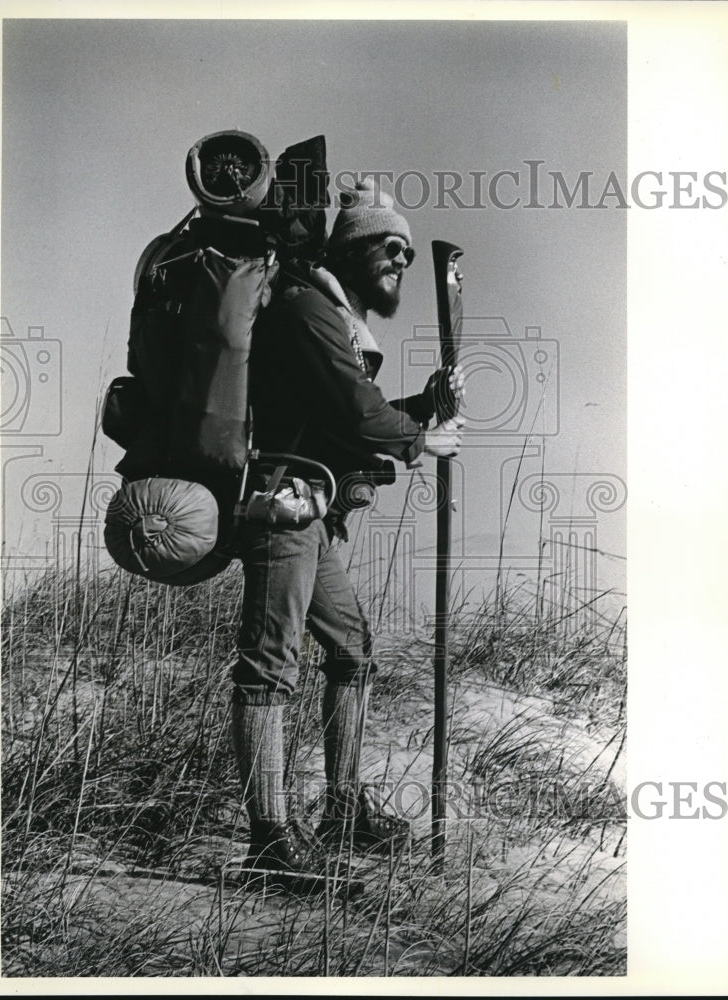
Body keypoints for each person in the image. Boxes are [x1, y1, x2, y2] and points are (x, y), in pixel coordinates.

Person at [230, 177, 464, 876]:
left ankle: (342, 808)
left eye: (407, 251)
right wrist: (421, 440)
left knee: (352, 649)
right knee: (269, 662)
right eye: (387, 247)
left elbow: (347, 407)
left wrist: (420, 406)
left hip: (311, 505)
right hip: (281, 503)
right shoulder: (305, 306)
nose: (398, 260)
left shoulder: (329, 313)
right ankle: (269, 838)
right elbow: (357, 415)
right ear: (353, 247)